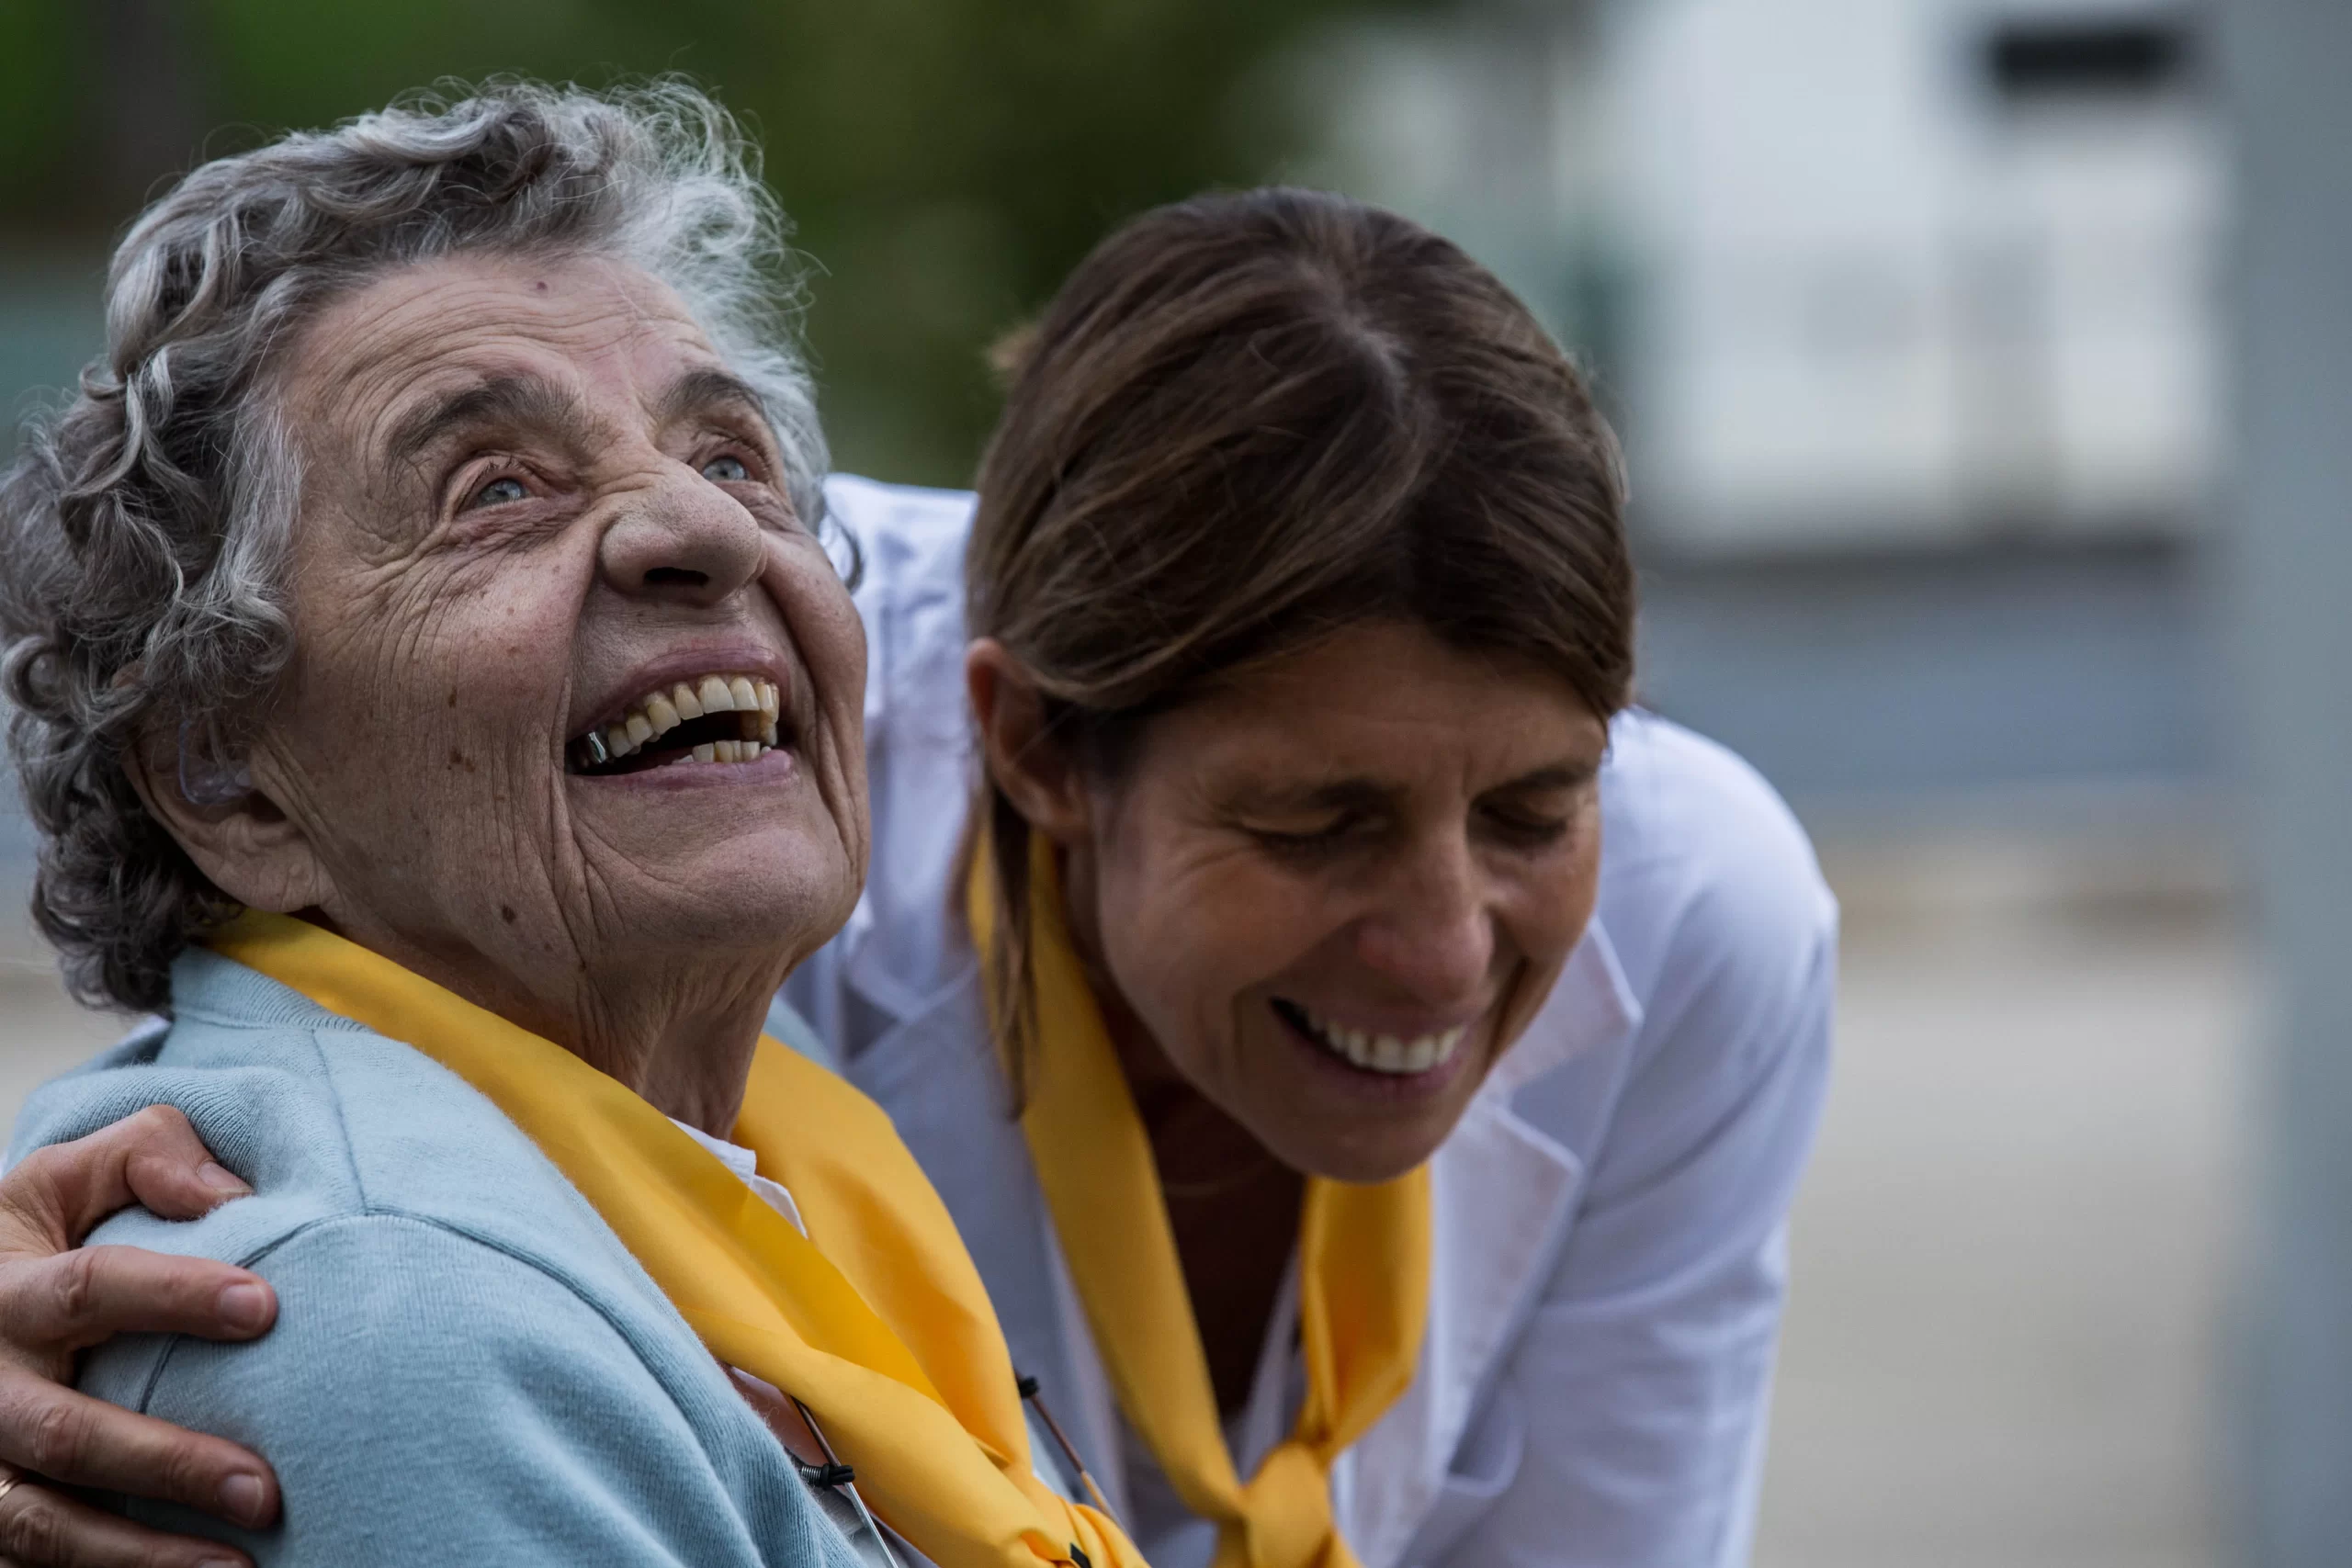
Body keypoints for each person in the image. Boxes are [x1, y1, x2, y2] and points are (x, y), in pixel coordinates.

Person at [0, 184, 1835, 1567]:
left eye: (1531, 812)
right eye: (1308, 825)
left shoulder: (1697, 912)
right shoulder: (664, 820)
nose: (1444, 951)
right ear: (1024, 746)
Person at [0, 82, 1139, 1568]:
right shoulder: (396, 1327)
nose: (709, 527)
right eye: (496, 490)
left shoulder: (765, 1139)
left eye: (732, 458)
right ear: (228, 774)